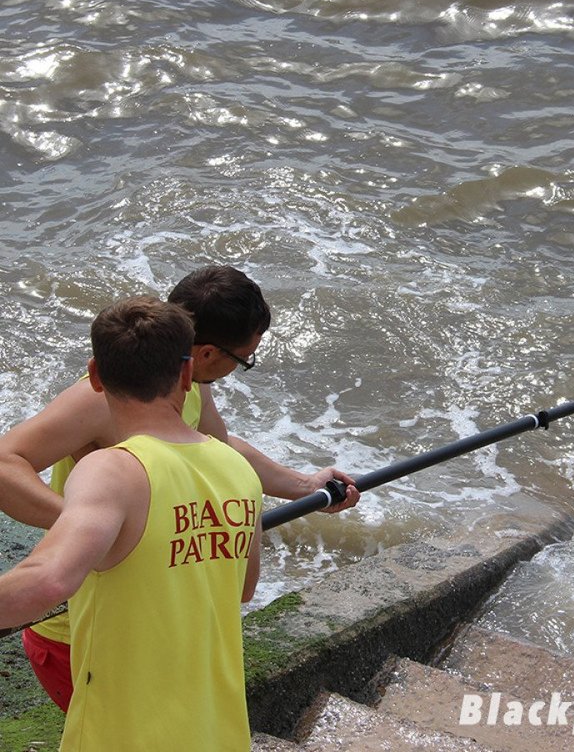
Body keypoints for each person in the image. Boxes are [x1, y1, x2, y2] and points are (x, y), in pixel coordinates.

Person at [0, 264, 359, 711]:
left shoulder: (184, 381)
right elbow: (4, 464)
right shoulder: (102, 399)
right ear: (205, 354)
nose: (238, 369)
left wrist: (305, 485)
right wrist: (90, 530)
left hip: (151, 625)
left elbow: (218, 449)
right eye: (243, 360)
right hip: (80, 637)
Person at [0, 296, 263, 750]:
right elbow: (243, 587)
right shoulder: (237, 469)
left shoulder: (112, 469)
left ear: (96, 376)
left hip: (122, 731)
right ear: (186, 375)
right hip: (215, 727)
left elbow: (47, 582)